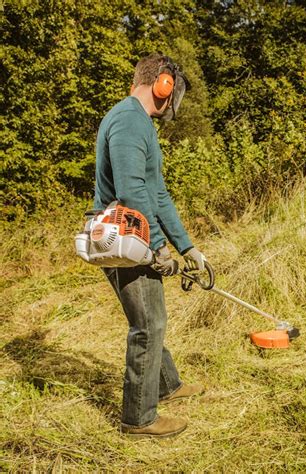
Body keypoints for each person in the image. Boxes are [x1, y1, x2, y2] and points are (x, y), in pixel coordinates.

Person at [93, 53, 206, 438]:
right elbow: (131, 189)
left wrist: (186, 247)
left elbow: (157, 193)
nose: (174, 102)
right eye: (174, 92)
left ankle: (166, 384)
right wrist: (158, 245)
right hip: (126, 236)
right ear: (164, 85)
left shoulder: (138, 121)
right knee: (148, 324)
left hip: (133, 233)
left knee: (151, 317)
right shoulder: (128, 120)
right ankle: (138, 419)